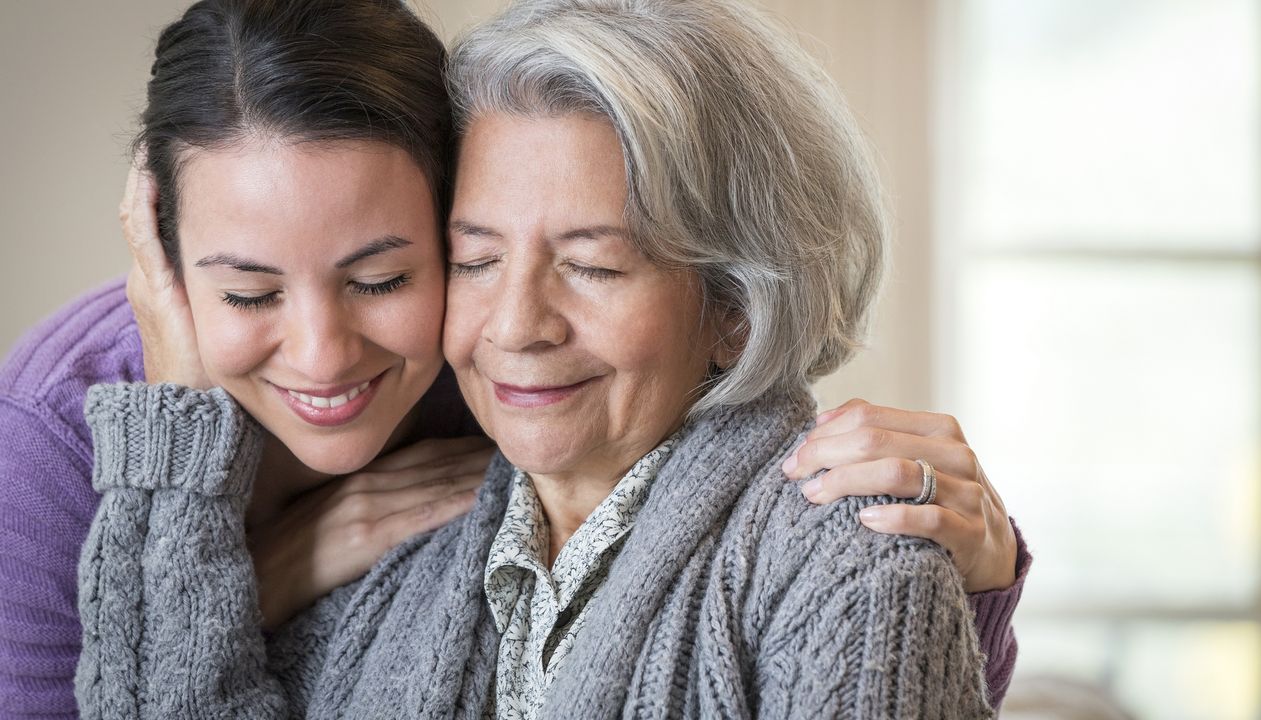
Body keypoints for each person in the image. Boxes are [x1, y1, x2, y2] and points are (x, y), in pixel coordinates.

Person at [71, 0, 1029, 717]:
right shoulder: (397, 550)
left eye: (592, 265)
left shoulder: (850, 560)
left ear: (733, 306)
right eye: (474, 259)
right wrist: (175, 431)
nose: (516, 325)